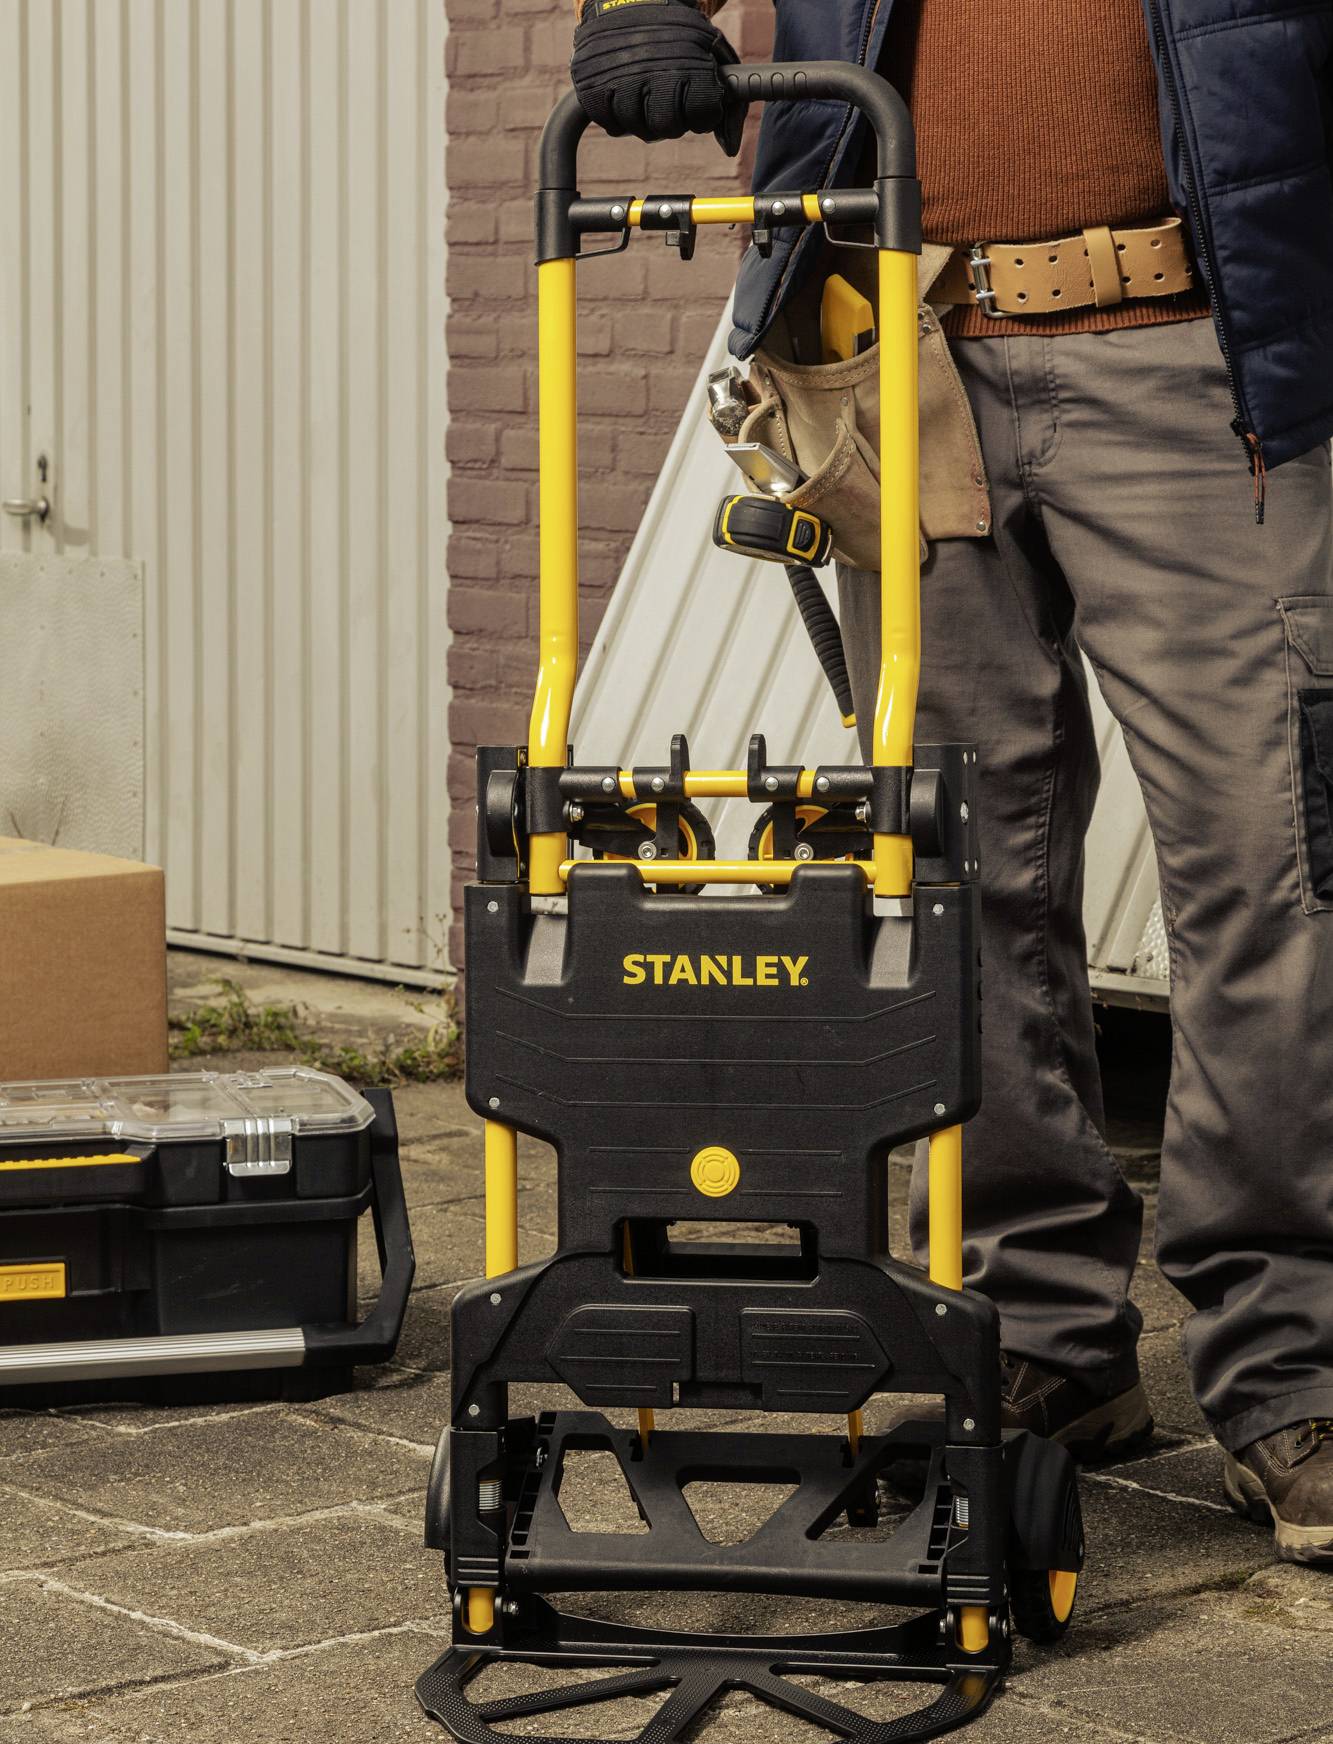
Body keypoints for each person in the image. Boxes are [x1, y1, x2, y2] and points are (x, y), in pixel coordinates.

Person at [569, 0, 1333, 1566]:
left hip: (1200, 354)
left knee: (1270, 872)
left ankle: (1291, 1368)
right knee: (955, 870)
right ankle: (1038, 1327)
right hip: (895, 354)